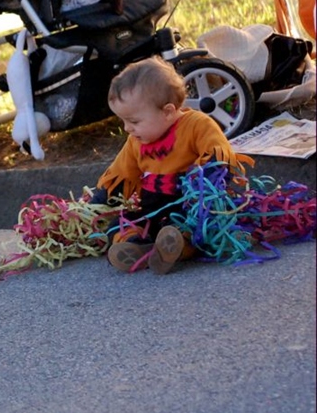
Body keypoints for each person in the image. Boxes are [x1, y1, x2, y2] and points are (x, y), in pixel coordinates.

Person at [94, 57, 254, 274]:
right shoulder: (136, 141)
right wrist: (101, 198)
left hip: (188, 205)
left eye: (134, 121)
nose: (127, 128)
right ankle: (135, 244)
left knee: (192, 226)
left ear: (168, 111)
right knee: (119, 223)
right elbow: (122, 172)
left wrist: (207, 176)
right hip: (152, 209)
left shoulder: (197, 125)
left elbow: (217, 152)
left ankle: (179, 246)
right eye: (123, 121)